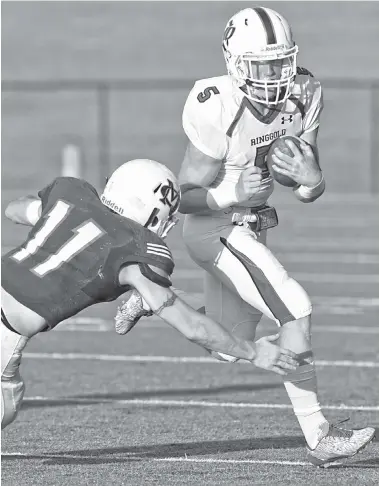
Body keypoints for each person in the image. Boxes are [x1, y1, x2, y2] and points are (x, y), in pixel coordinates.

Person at [176, 6, 375, 467]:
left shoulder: (304, 92)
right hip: (213, 229)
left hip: (252, 228)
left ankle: (155, 299)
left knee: (230, 341)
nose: (274, 75)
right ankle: (319, 433)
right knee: (296, 308)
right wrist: (227, 195)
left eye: (281, 62)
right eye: (262, 65)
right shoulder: (216, 106)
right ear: (235, 63)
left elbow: (305, 189)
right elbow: (181, 197)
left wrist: (313, 178)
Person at [1, 159, 299, 430]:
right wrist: (254, 351)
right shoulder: (135, 249)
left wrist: (45, 217)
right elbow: (192, 326)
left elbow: (13, 210)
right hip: (6, 329)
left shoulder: (71, 194)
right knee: (7, 402)